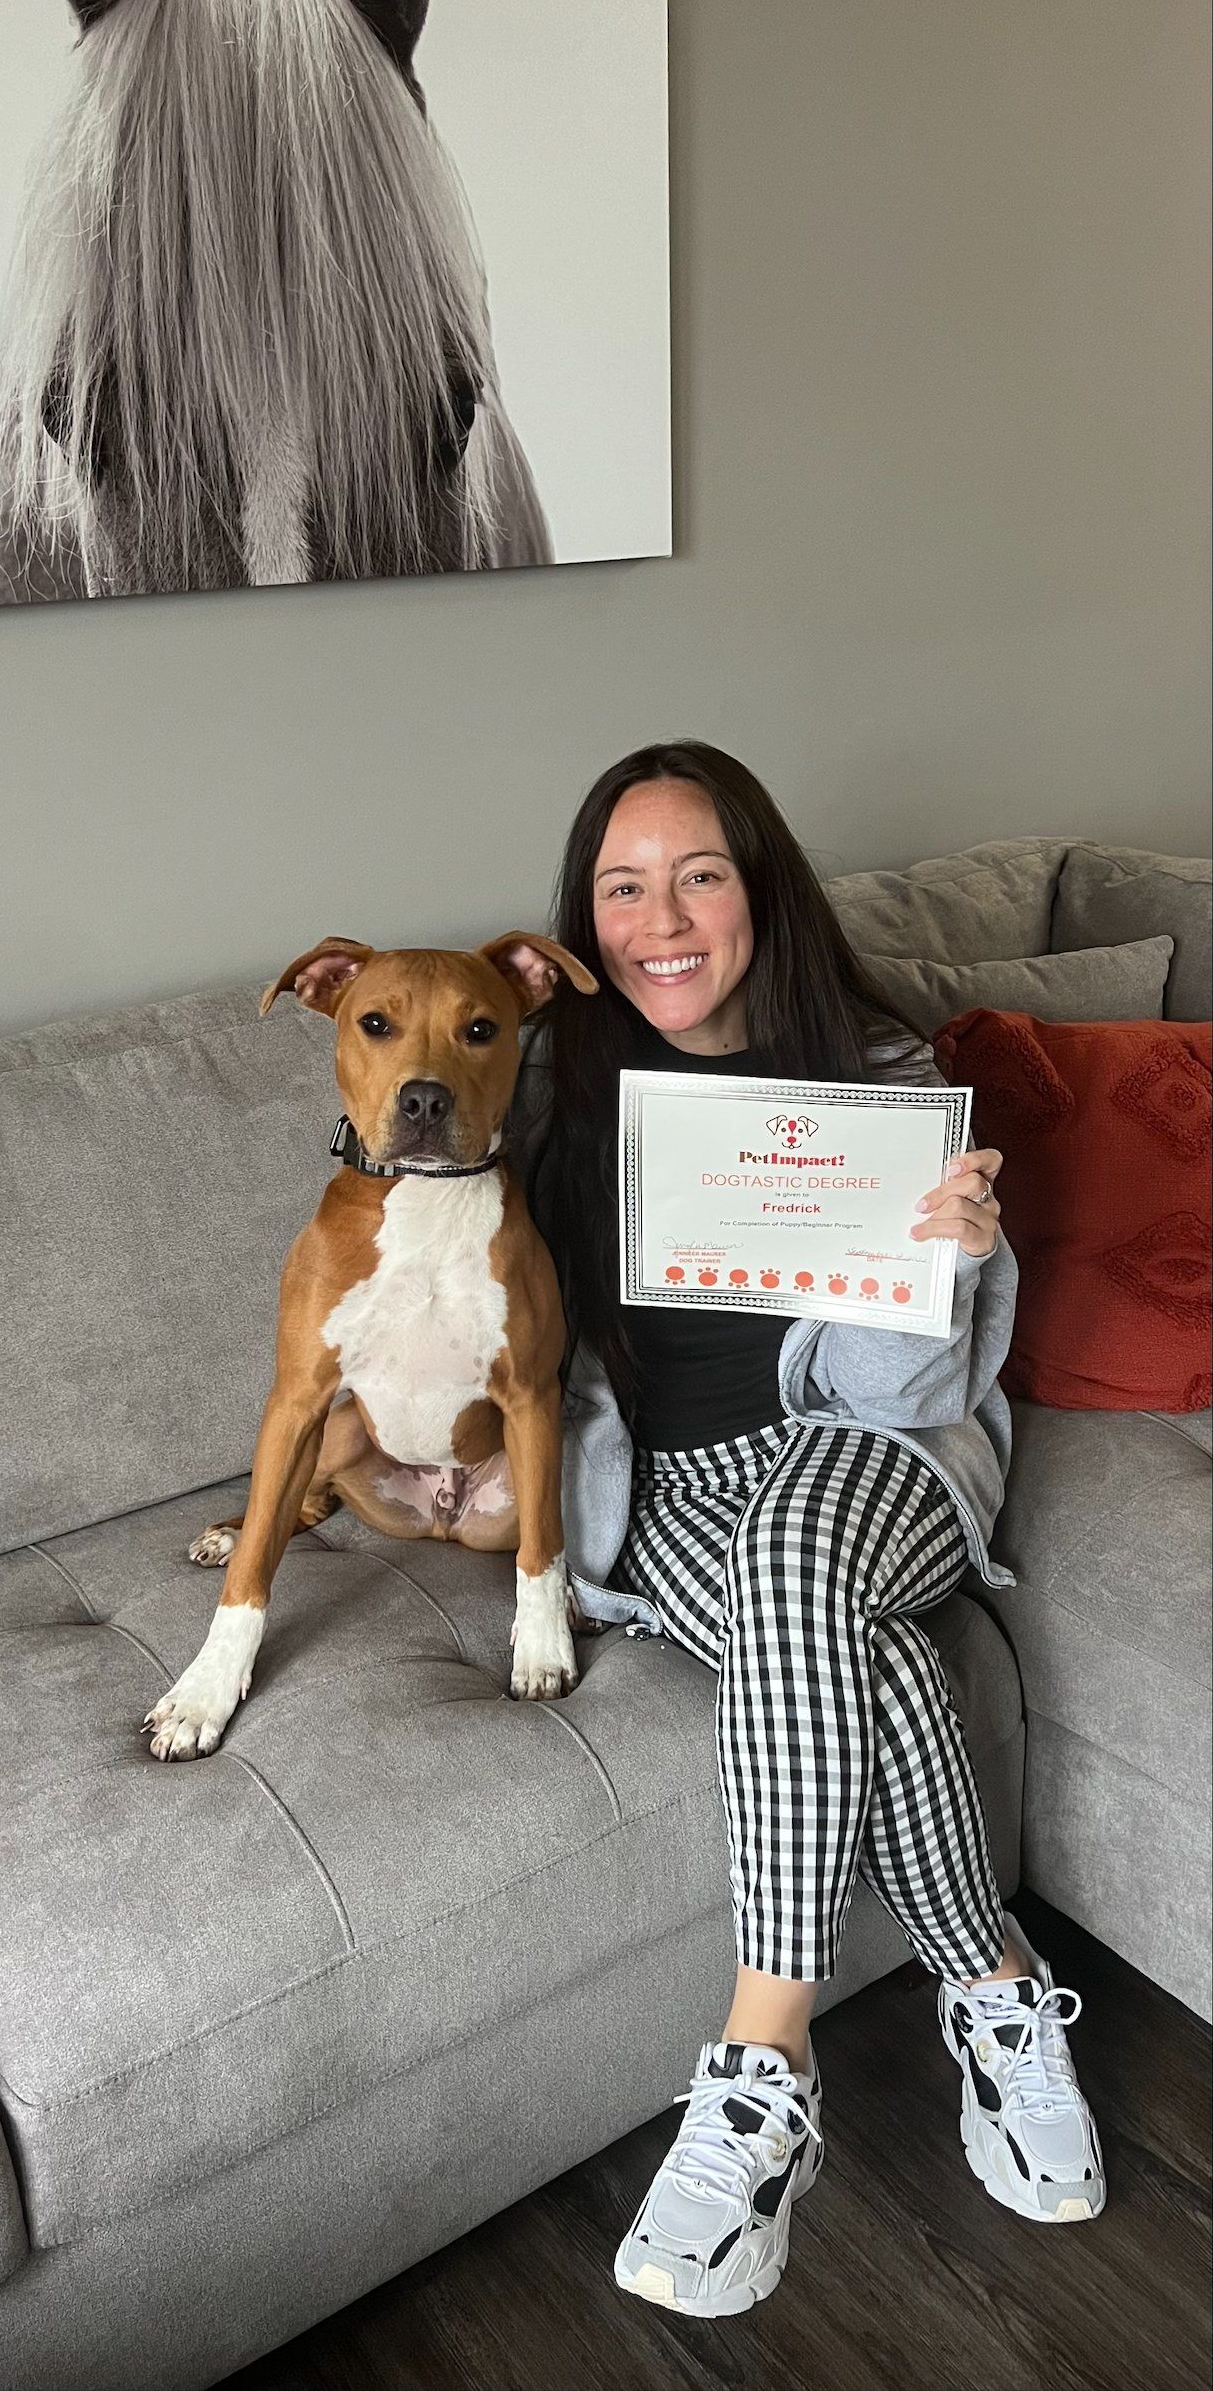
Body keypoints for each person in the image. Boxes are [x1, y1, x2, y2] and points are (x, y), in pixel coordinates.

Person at [513, 740, 1103, 2322]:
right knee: (875, 1664)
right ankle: (994, 1988)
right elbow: (511, 1342)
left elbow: (903, 1392)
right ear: (587, 915)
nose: (663, 917)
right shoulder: (558, 1091)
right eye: (621, 886)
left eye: (699, 873)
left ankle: (758, 2068)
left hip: (868, 1451)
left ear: (758, 889)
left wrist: (948, 1262)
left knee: (802, 1560)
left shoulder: (880, 1073)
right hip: (678, 1497)